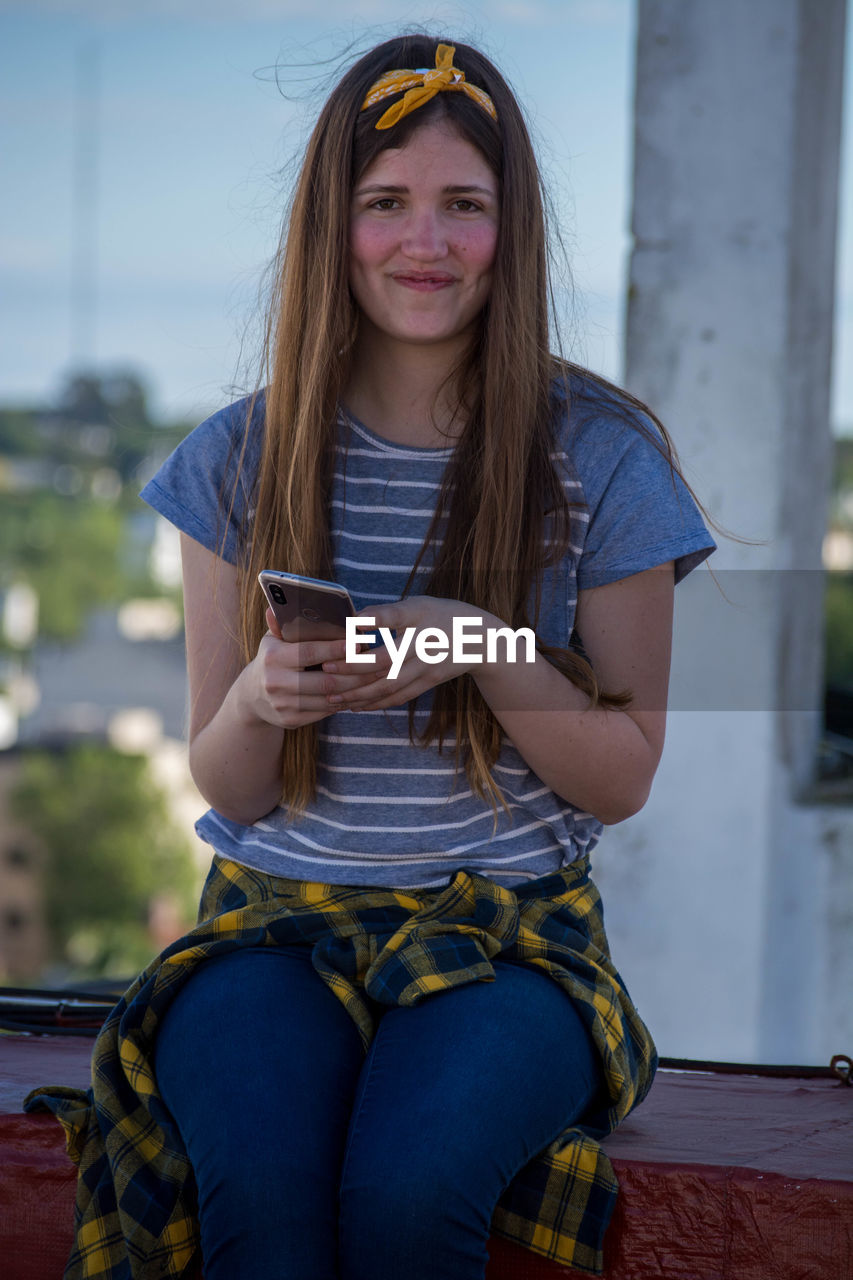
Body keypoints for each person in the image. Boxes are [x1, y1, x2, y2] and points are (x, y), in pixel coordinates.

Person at [26, 33, 715, 1280]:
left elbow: (621, 775)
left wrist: (481, 643)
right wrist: (255, 694)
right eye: (385, 204)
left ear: (513, 230)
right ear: (329, 229)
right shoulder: (237, 458)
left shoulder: (604, 458)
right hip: (268, 931)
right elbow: (227, 785)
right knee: (265, 1214)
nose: (426, 243)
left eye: (465, 205)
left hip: (513, 938)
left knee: (407, 1200)